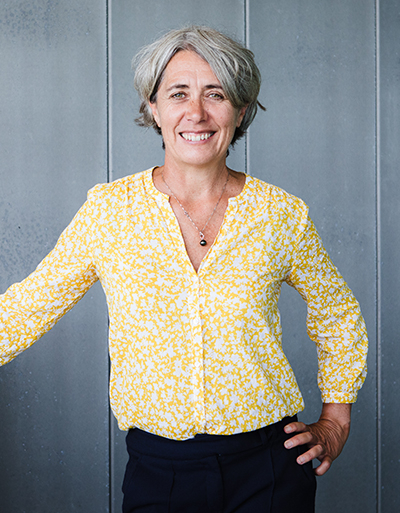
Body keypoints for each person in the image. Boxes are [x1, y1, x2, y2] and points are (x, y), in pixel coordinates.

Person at [0, 26, 368, 512]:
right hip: (160, 472)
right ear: (153, 107)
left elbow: (337, 312)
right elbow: (26, 308)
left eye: (216, 94)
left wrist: (336, 419)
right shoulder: (109, 213)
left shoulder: (280, 215)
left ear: (240, 110)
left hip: (270, 468)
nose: (196, 113)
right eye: (178, 93)